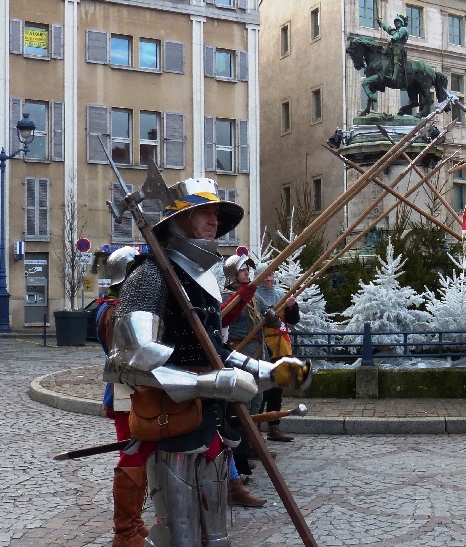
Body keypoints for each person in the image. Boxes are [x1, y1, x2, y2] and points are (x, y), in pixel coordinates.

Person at [103, 176, 312, 546]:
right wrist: (207, 383)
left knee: (216, 534)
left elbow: (218, 351)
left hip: (211, 420)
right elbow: (130, 361)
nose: (214, 220)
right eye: (204, 212)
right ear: (178, 221)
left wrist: (271, 371)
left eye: (216, 212)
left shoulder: (202, 280)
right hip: (172, 420)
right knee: (179, 533)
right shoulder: (150, 275)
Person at [94, 246, 147, 547]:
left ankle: (135, 524)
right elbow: (126, 357)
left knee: (141, 454)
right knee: (132, 457)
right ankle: (125, 532)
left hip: (133, 390)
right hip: (125, 391)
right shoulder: (113, 311)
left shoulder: (121, 307)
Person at [220, 254, 268, 508]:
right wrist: (242, 296)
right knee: (238, 409)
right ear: (232, 274)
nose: (247, 273)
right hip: (237, 351)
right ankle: (240, 459)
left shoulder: (250, 293)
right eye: (243, 271)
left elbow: (266, 314)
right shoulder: (224, 293)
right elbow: (224, 316)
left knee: (255, 401)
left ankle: (249, 448)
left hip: (257, 350)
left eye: (248, 271)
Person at [257, 263, 301, 443]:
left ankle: (274, 427)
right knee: (262, 390)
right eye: (265, 276)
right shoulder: (255, 296)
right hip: (263, 346)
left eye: (271, 275)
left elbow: (292, 320)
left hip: (282, 347)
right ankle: (255, 426)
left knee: (277, 389)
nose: (269, 279)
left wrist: (292, 307)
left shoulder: (280, 295)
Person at [378, 13, 409, 85]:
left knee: (396, 60)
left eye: (398, 21)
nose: (397, 23)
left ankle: (394, 76)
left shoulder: (403, 29)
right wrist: (381, 24)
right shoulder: (395, 31)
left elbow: (398, 35)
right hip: (392, 48)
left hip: (399, 48)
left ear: (401, 22)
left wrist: (392, 39)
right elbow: (389, 29)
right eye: (396, 21)